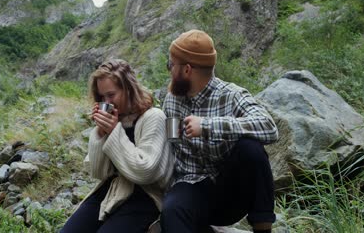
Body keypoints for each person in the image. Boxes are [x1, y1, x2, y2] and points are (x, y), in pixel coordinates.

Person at [160, 30, 279, 233]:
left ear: (187, 70)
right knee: (172, 210)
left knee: (251, 148)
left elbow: (269, 127)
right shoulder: (172, 101)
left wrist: (207, 126)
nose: (169, 70)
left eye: (171, 65)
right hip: (191, 185)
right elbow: (171, 147)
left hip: (232, 194)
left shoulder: (231, 95)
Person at [60, 59, 174, 233]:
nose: (107, 101)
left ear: (129, 89)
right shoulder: (115, 118)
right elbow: (98, 173)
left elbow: (145, 172)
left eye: (111, 95)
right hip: (113, 190)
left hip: (147, 196)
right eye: (101, 97)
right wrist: (100, 133)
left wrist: (114, 131)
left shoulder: (153, 117)